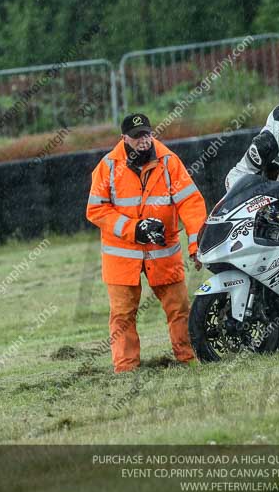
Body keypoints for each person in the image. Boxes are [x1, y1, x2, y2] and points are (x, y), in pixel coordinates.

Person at [86, 113, 207, 373]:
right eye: (137, 136)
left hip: (163, 251)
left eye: (147, 134)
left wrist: (196, 245)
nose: (144, 140)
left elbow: (191, 203)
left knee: (179, 308)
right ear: (124, 139)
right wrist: (134, 229)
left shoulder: (169, 162)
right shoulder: (107, 167)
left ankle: (188, 358)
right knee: (122, 315)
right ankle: (126, 368)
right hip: (122, 255)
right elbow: (95, 210)